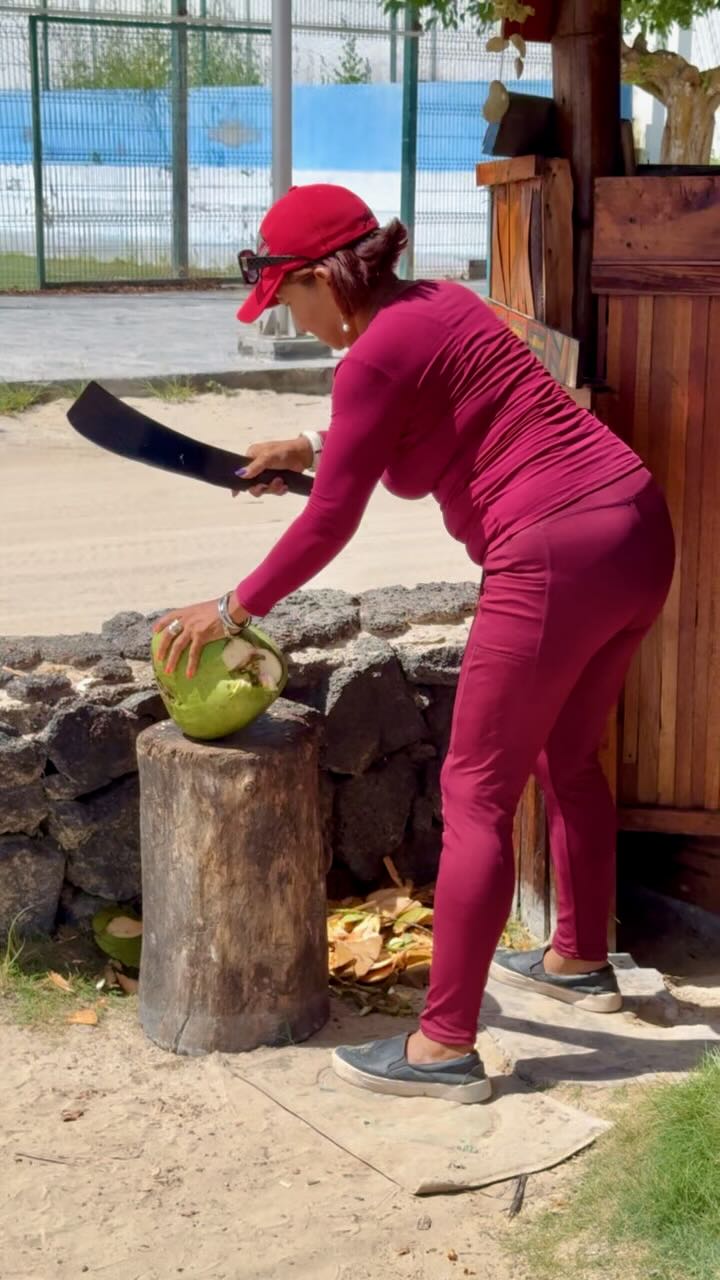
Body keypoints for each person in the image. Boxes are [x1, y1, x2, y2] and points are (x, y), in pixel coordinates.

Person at [154, 184, 675, 1105]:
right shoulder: (441, 302)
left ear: (321, 276)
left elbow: (329, 527)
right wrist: (309, 445)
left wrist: (232, 610)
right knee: (569, 758)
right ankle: (581, 957)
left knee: (473, 792)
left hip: (551, 551)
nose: (287, 318)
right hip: (632, 526)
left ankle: (443, 1049)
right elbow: (408, 427)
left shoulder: (368, 360)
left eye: (287, 298)